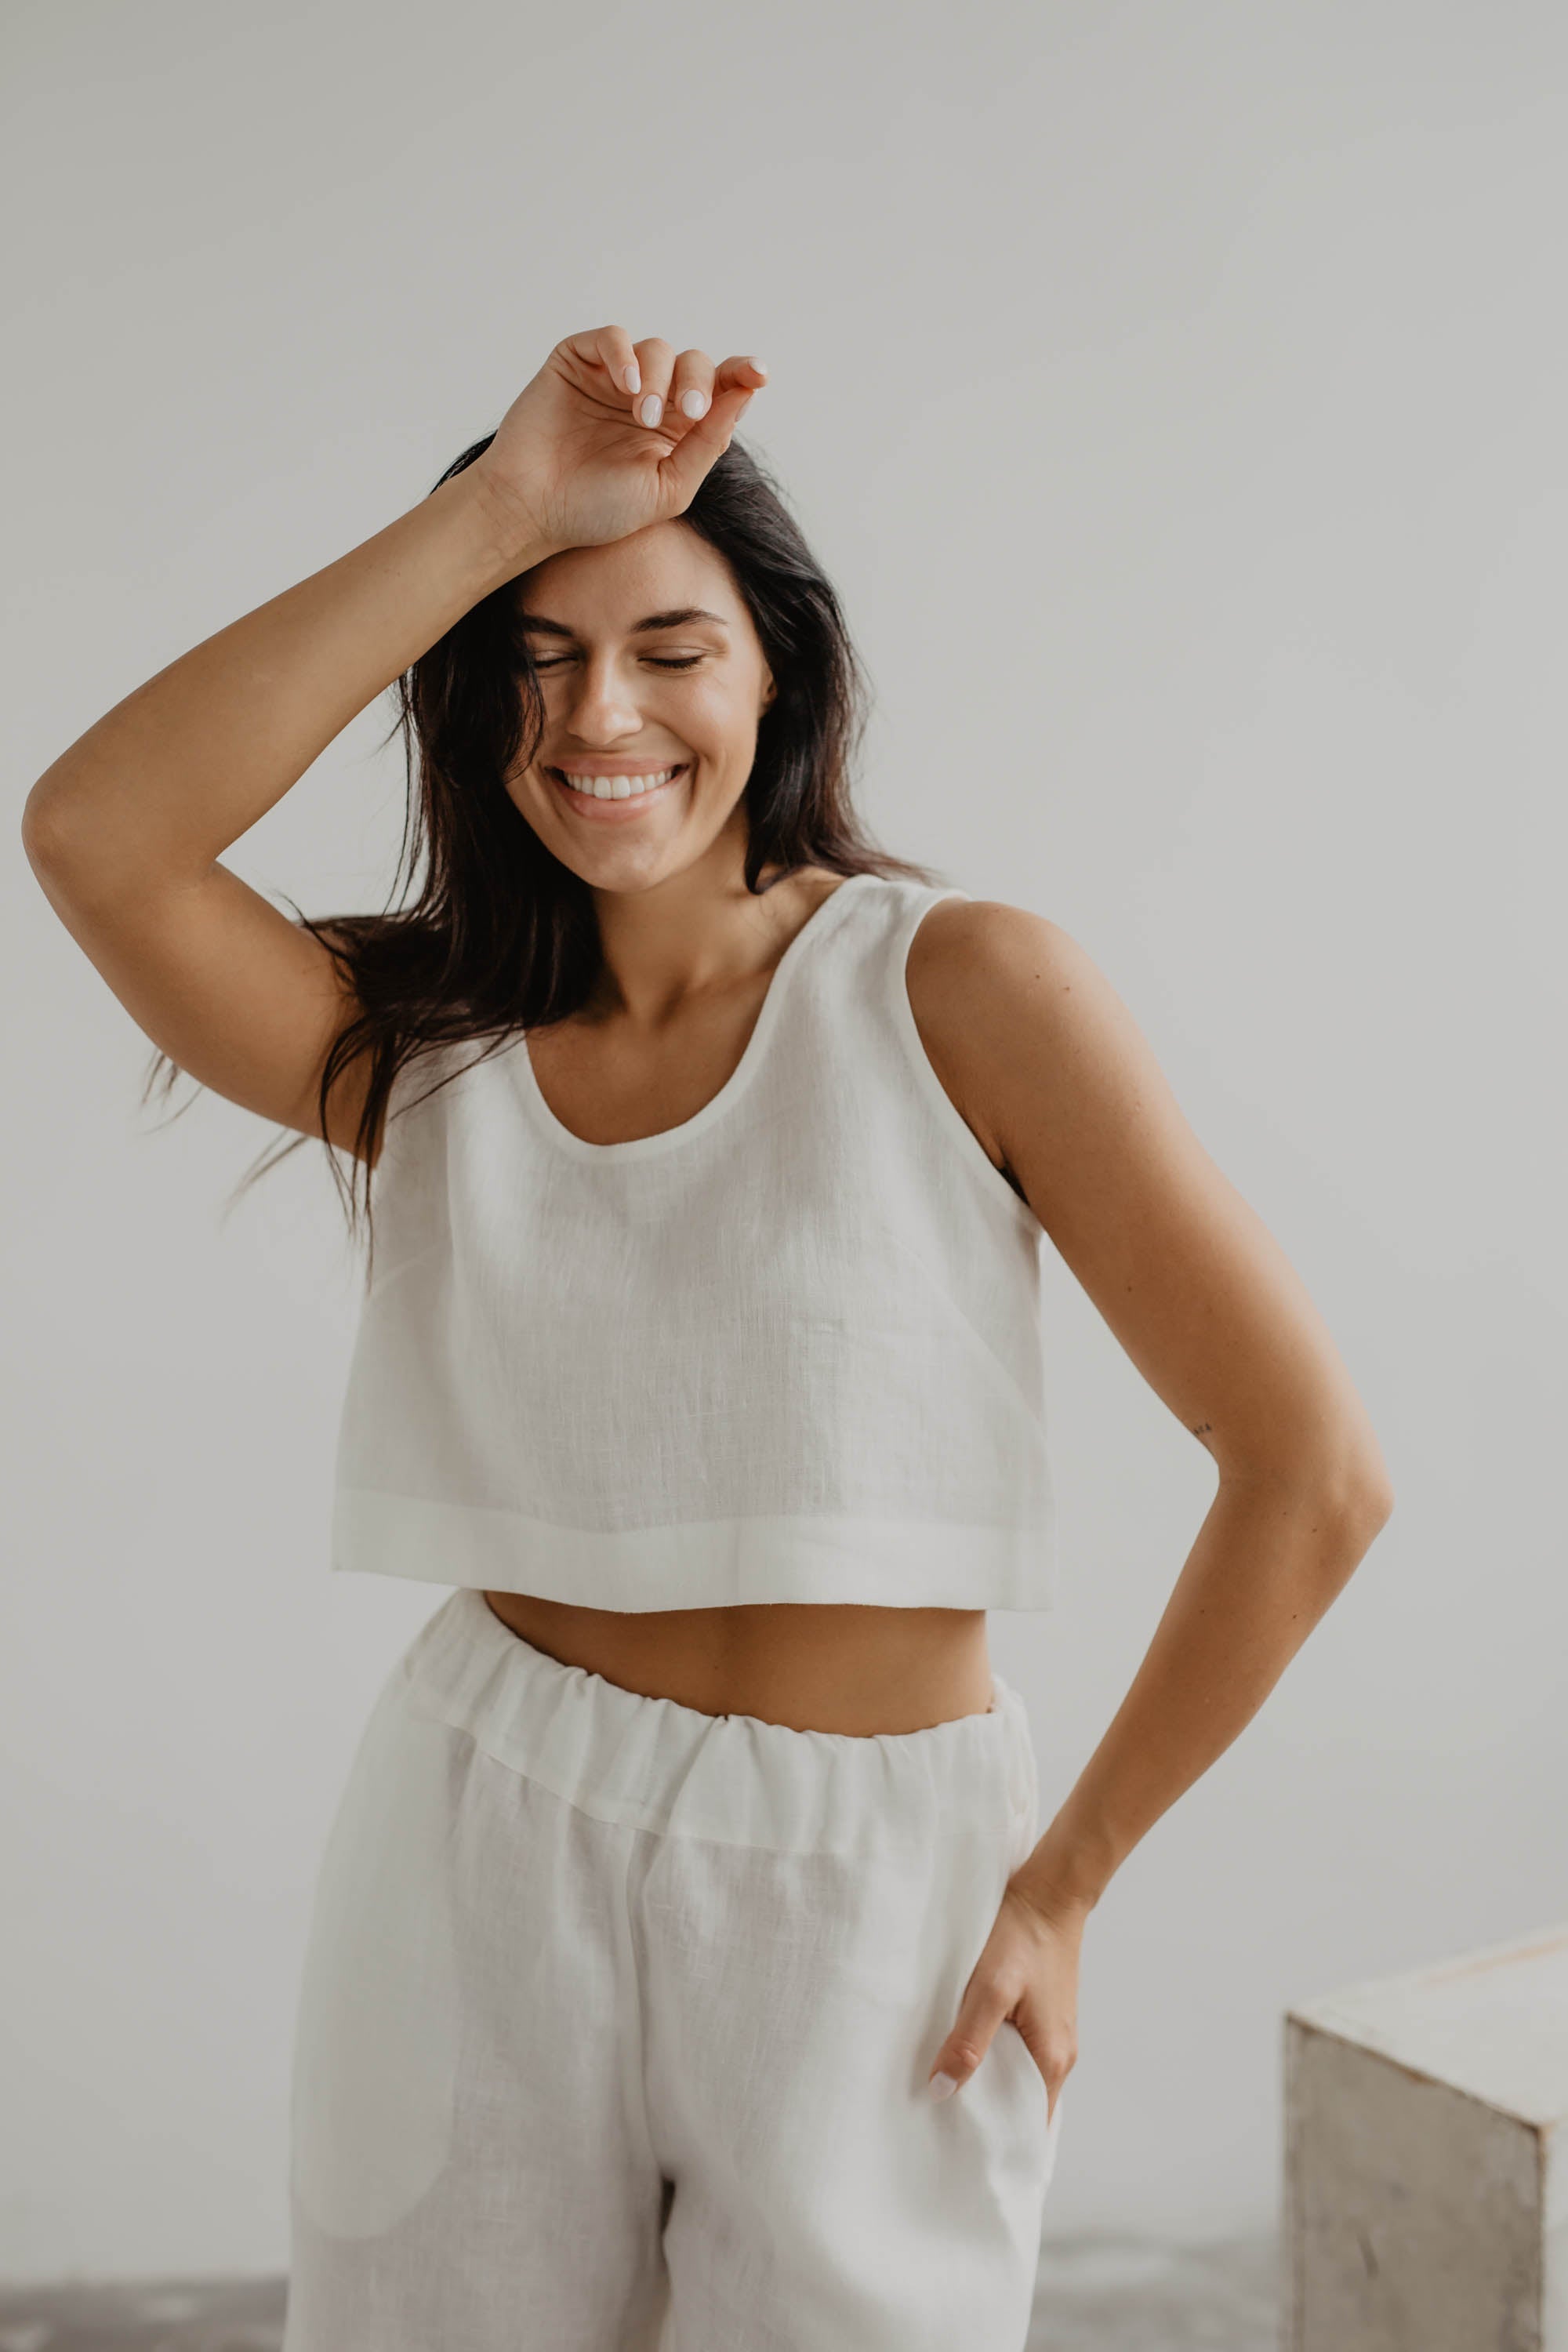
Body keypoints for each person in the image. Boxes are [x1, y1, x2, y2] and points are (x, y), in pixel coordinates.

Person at [22, 324, 1393, 2352]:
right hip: (486, 1816)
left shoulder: (959, 991)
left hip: (872, 1874)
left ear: (776, 678)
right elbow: (96, 834)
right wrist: (499, 506)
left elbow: (1314, 1476)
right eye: (537, 655)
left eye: (672, 647)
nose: (604, 715)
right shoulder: (428, 1054)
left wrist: (1065, 1880)